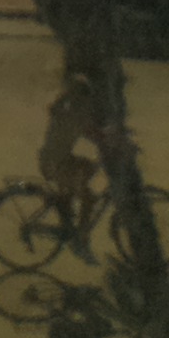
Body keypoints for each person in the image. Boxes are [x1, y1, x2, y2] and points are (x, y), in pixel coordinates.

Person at [39, 65, 116, 228]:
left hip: (56, 160)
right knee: (88, 198)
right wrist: (113, 141)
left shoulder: (66, 110)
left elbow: (93, 130)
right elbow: (93, 133)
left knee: (86, 168)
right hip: (56, 164)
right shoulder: (73, 114)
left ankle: (67, 213)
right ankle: (81, 235)